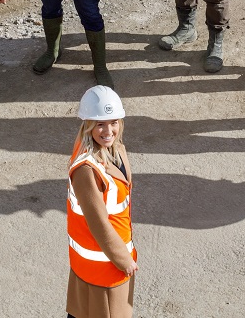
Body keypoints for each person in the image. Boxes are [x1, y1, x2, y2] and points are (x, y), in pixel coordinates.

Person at [67, 85, 137, 318]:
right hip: (104, 267)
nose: (109, 130)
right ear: (88, 126)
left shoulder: (115, 151)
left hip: (100, 265)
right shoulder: (87, 170)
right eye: (100, 124)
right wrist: (123, 259)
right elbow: (98, 223)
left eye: (114, 122)